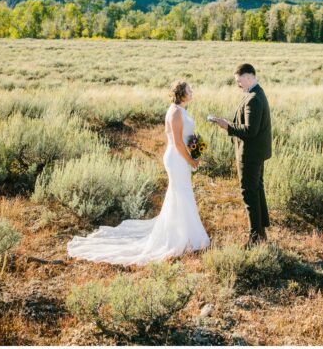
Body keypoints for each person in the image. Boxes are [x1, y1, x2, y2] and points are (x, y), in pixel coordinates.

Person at [67, 81, 210, 265]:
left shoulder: (181, 110)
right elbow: (177, 142)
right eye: (189, 90)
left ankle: (185, 233)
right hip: (177, 159)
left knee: (182, 194)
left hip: (182, 157)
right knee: (180, 193)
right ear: (182, 93)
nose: (192, 92)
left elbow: (186, 137)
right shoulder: (174, 112)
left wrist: (197, 148)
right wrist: (191, 160)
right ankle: (181, 238)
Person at [211, 62, 272, 247]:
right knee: (257, 190)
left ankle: (255, 238)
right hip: (257, 153)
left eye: (239, 80)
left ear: (248, 77)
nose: (237, 84)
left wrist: (227, 126)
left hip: (250, 154)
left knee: (249, 193)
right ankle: (261, 232)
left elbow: (250, 130)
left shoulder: (253, 97)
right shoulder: (255, 93)